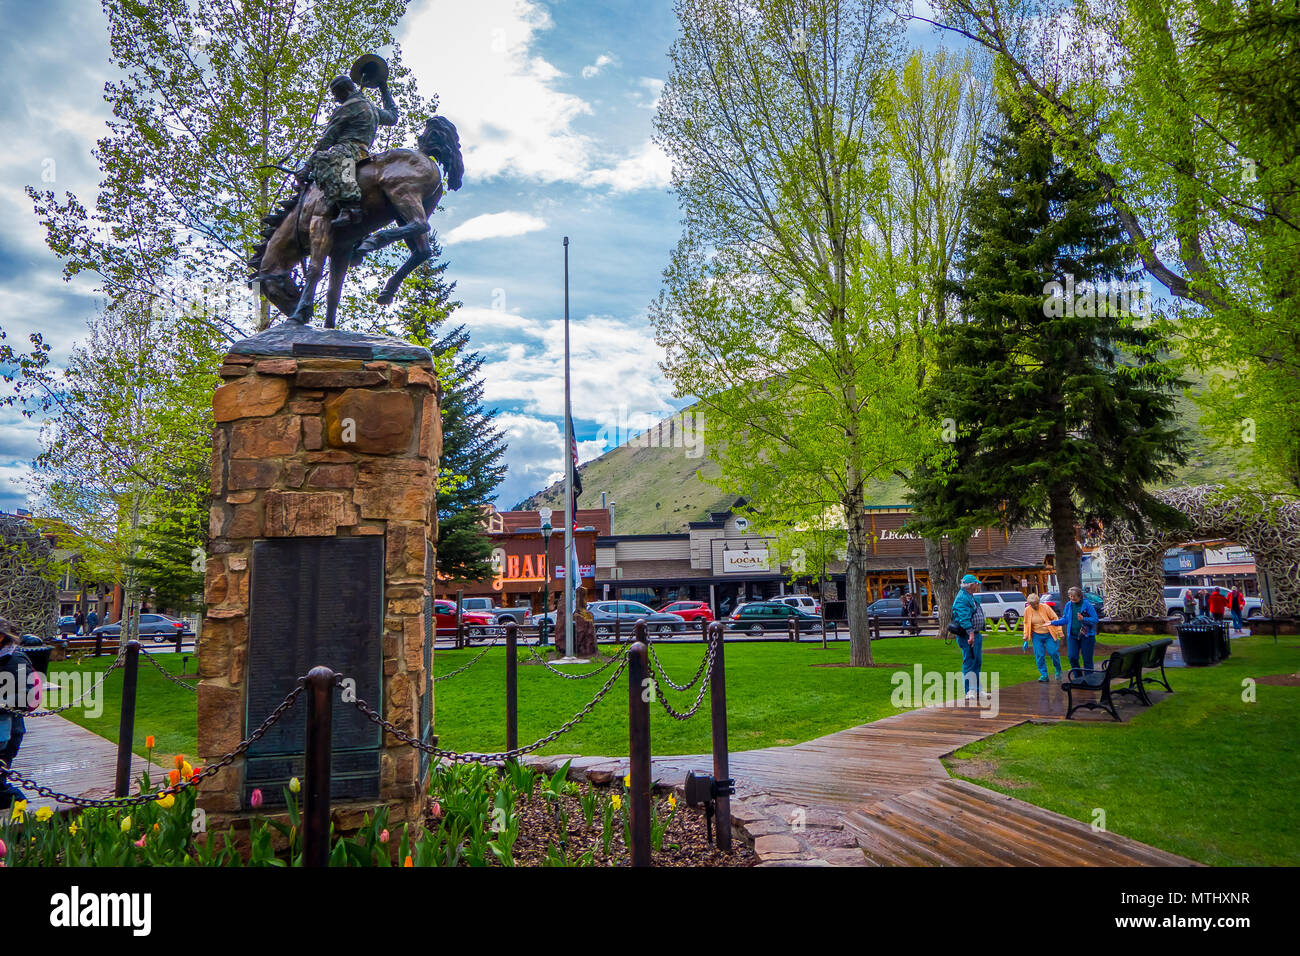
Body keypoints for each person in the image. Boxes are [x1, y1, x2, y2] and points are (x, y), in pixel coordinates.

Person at [304, 74, 399, 228]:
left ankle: (349, 206)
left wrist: (307, 166)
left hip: (347, 149)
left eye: (336, 95)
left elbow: (328, 138)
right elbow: (393, 116)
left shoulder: (348, 107)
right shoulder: (371, 107)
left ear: (343, 90)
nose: (336, 99)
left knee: (323, 159)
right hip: (364, 152)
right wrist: (384, 89)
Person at [0, 618, 37, 808]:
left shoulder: (16, 660)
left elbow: (28, 697)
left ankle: (22, 809)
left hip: (7, 732)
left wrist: (2, 703)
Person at [1049, 586, 1100, 675]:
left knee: (1087, 659)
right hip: (1072, 636)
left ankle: (1090, 679)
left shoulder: (1087, 604)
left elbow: (1095, 619)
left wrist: (1083, 618)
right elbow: (1065, 619)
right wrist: (1052, 623)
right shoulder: (1069, 605)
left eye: (1074, 596)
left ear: (1080, 596)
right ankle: (1078, 677)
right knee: (1072, 657)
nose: (1072, 598)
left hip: (1086, 636)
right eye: (1070, 596)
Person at [951, 574, 986, 702]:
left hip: (975, 634)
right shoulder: (962, 598)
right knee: (969, 662)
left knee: (977, 662)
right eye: (976, 584)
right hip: (967, 635)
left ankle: (977, 689)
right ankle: (969, 690)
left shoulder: (969, 596)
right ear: (971, 585)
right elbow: (964, 618)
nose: (977, 586)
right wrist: (971, 634)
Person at [1022, 593, 1065, 682]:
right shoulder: (1027, 610)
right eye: (1033, 605)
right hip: (1037, 635)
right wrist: (1026, 635)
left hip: (1049, 633)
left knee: (1052, 652)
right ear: (1029, 604)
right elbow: (1026, 623)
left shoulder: (1045, 607)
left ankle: (1058, 669)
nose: (1035, 606)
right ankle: (1044, 675)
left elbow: (1055, 618)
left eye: (1037, 603)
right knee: (1039, 655)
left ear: (1039, 602)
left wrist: (1059, 631)